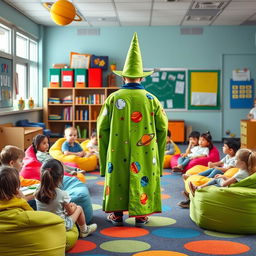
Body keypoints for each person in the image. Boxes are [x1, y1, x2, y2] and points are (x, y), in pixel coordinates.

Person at [97, 32, 168, 226]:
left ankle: (117, 214)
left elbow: (101, 127)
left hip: (116, 147)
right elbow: (163, 128)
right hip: (146, 148)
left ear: (124, 77)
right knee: (143, 173)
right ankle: (141, 214)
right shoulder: (151, 99)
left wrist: (104, 157)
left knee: (118, 173)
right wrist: (159, 156)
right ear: (140, 78)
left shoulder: (112, 98)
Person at [35, 158, 97, 237]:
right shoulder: (62, 194)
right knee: (79, 208)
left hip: (43, 224)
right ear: (61, 177)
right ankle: (84, 230)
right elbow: (70, 212)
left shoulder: (37, 190)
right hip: (61, 226)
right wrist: (73, 207)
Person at [189, 148, 256, 196]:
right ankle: (199, 189)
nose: (234, 161)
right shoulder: (248, 170)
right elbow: (236, 180)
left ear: (242, 163)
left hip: (230, 187)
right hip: (235, 185)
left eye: (236, 159)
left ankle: (198, 188)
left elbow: (225, 184)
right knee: (215, 182)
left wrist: (221, 178)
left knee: (215, 180)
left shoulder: (241, 173)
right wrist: (224, 176)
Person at [0, 145, 38, 209]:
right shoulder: (10, 178)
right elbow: (23, 201)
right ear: (12, 163)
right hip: (14, 207)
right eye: (20, 161)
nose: (23, 163)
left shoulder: (4, 174)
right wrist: (34, 196)